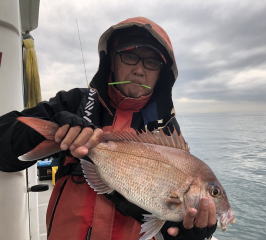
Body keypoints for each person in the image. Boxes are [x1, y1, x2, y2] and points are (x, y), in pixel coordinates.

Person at [0, 17, 217, 240]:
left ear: (162, 74)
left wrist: (190, 231)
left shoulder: (167, 131)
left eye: (152, 62)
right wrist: (53, 128)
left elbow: (166, 221)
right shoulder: (75, 103)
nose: (139, 70)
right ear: (111, 61)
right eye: (130, 56)